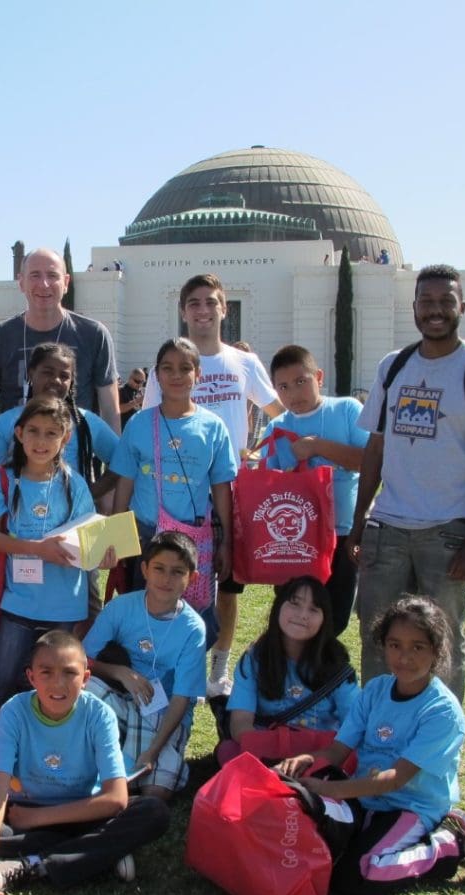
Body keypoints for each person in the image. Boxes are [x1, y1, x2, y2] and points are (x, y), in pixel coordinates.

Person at [347, 265, 465, 703]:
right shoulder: (395, 366)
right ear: (414, 309)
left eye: (446, 301)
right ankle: (380, 738)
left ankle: (436, 747)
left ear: (461, 307)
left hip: (449, 531)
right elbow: (375, 449)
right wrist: (358, 522)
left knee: (442, 642)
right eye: (426, 302)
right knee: (378, 639)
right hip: (386, 529)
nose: (436, 310)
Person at [280, 595, 465, 895]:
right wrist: (304, 760)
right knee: (315, 851)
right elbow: (336, 752)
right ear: (383, 646)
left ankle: (448, 847)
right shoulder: (375, 690)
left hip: (410, 805)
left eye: (418, 647)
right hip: (364, 796)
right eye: (395, 645)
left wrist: (329, 791)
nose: (404, 657)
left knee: (355, 878)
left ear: (437, 651)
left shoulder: (442, 711)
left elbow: (396, 780)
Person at [141, 274, 283, 695]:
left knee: (226, 582)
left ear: (224, 309)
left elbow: (279, 415)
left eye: (211, 302)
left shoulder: (243, 363)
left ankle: (218, 667)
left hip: (229, 491)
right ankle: (176, 659)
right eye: (194, 303)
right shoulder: (168, 365)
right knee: (174, 578)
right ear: (183, 312)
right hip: (176, 497)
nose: (203, 310)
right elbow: (150, 425)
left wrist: (260, 454)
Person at [0, 630, 170, 895]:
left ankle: (33, 863)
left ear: (86, 678)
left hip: (83, 813)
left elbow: (116, 798)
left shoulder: (100, 715)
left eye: (69, 673)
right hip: (23, 812)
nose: (58, 684)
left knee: (154, 812)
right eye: (46, 672)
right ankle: (97, 853)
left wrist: (38, 818)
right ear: (31, 677)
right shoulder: (13, 712)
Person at [0, 395, 112, 782]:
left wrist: (103, 554)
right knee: (4, 680)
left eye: (52, 433)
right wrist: (37, 549)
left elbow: (86, 541)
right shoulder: (2, 479)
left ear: (66, 438)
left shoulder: (73, 482)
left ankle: (45, 754)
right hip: (19, 604)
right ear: (19, 433)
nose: (42, 441)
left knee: (57, 683)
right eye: (34, 432)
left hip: (67, 608)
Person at [111, 337, 237, 621]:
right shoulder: (140, 423)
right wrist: (116, 537)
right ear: (156, 375)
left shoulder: (213, 427)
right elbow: (125, 483)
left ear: (198, 374)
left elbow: (221, 488)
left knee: (190, 617)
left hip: (192, 540)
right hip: (144, 536)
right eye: (167, 368)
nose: (176, 375)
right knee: (140, 616)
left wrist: (227, 541)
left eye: (185, 368)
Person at [83, 531, 208, 801]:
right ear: (144, 570)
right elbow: (81, 661)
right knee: (85, 687)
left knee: (155, 794)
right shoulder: (121, 607)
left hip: (165, 718)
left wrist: (154, 750)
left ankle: (124, 784)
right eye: (159, 569)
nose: (166, 579)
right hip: (122, 702)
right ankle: (105, 769)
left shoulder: (193, 628)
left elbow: (182, 699)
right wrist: (119, 672)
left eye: (177, 572)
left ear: (192, 578)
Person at [263, 345, 369, 633]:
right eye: (283, 387)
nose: (294, 394)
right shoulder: (275, 429)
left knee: (335, 615)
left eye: (301, 382)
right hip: (294, 539)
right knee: (294, 616)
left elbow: (369, 462)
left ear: (318, 377)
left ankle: (325, 671)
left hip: (343, 533)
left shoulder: (346, 410)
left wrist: (317, 447)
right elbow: (266, 489)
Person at [0, 247, 121, 450]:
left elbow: (111, 412)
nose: (44, 284)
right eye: (35, 275)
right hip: (12, 467)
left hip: (74, 465)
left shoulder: (94, 335)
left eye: (52, 275)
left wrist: (113, 476)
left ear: (66, 282)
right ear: (21, 282)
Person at [223, 576, 357, 755]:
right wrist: (271, 750)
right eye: (295, 603)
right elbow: (240, 723)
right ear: (278, 607)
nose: (302, 615)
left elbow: (355, 725)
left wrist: (311, 758)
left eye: (313, 609)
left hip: (318, 756)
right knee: (228, 751)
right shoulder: (255, 658)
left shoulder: (337, 666)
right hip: (265, 751)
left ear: (324, 619)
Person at [0, 342, 118, 501]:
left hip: (74, 521)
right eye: (48, 372)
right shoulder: (3, 425)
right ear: (31, 373)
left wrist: (90, 494)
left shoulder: (86, 423)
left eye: (64, 376)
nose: (56, 380)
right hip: (17, 520)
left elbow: (123, 460)